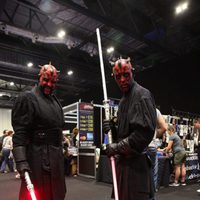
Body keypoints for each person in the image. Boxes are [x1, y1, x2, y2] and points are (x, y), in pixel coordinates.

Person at [103, 58, 157, 200]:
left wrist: (116, 148)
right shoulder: (123, 101)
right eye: (118, 76)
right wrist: (113, 129)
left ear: (132, 72)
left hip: (136, 169)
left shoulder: (142, 95)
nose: (122, 80)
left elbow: (143, 135)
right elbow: (125, 133)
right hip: (124, 167)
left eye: (126, 75)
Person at [12, 63, 66, 200]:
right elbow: (20, 133)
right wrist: (21, 161)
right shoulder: (27, 98)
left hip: (56, 160)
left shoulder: (55, 101)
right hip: (37, 159)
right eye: (45, 80)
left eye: (53, 82)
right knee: (39, 194)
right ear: (39, 77)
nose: (49, 84)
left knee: (58, 194)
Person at [148, 108, 167, 195]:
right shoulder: (155, 110)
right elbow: (164, 127)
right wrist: (155, 134)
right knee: (153, 172)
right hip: (151, 145)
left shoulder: (134, 106)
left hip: (138, 145)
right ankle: (151, 194)